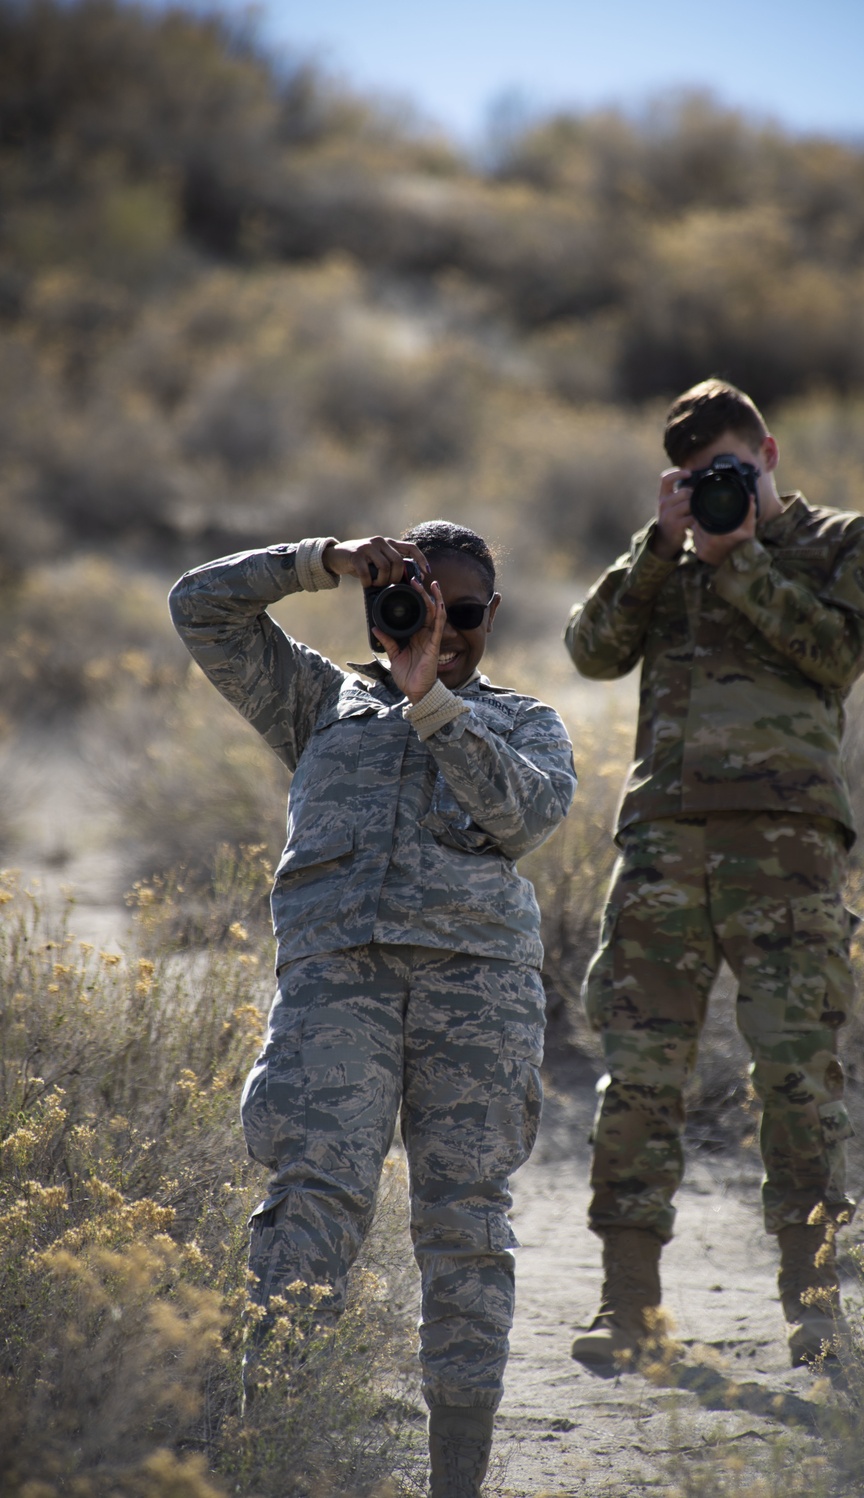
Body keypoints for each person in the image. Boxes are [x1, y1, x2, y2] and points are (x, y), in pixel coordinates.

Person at [169, 522, 576, 1497]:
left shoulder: (525, 723)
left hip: (475, 989)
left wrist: (431, 695)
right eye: (420, 601)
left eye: (466, 613)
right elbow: (197, 607)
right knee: (312, 1199)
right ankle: (273, 1451)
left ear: (490, 617)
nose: (444, 625)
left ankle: (457, 1478)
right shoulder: (320, 701)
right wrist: (322, 560)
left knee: (465, 1220)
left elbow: (523, 813)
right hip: (336, 979)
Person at [563, 379, 864, 1370]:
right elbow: (589, 649)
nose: (718, 486)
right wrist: (660, 550)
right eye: (698, 474)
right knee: (639, 1076)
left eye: (732, 468)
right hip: (664, 839)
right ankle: (628, 1312)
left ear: (769, 453)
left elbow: (837, 650)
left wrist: (736, 558)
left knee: (796, 1077)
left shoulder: (838, 541)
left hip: (786, 844)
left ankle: (816, 1310)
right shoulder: (661, 556)